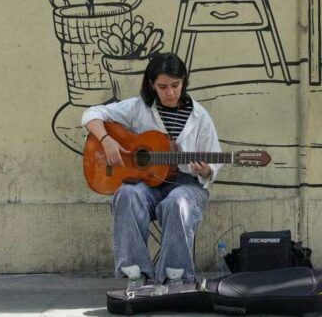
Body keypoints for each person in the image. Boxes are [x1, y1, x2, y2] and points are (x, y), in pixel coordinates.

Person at [82, 52, 222, 286]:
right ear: (151, 85)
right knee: (126, 194)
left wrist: (206, 170)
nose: (170, 93)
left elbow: (213, 165)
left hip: (186, 184)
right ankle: (135, 273)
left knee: (177, 203)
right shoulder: (139, 108)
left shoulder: (199, 116)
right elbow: (91, 114)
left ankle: (174, 275)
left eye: (176, 85)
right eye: (163, 86)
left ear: (184, 81)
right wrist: (106, 139)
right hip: (147, 184)